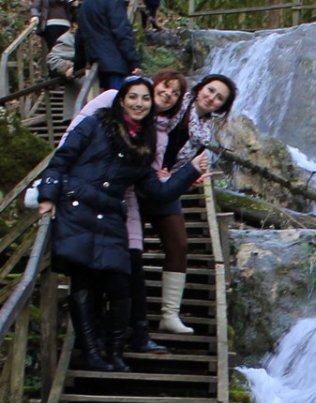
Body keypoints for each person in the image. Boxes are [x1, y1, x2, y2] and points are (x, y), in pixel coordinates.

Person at [37, 76, 207, 372]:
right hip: (78, 208)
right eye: (133, 97)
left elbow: (158, 192)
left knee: (119, 284)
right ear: (121, 99)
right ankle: (92, 353)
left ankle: (115, 353)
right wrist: (48, 196)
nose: (138, 103)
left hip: (111, 217)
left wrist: (190, 171)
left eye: (144, 99)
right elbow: (61, 159)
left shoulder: (143, 146)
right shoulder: (94, 124)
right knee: (84, 283)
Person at [65, 69, 188, 354]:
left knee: (131, 265)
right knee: (95, 268)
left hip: (127, 201)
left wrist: (176, 175)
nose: (167, 95)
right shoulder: (109, 102)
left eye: (175, 93)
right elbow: (74, 135)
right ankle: (96, 343)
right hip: (90, 197)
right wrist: (55, 184)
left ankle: (132, 337)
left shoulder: (160, 132)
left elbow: (150, 179)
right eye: (164, 88)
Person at [143, 73, 236, 335]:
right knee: (130, 247)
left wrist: (184, 177)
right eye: (210, 90)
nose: (212, 98)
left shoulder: (205, 129)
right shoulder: (176, 105)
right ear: (200, 89)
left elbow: (190, 163)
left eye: (219, 98)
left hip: (168, 186)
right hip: (141, 179)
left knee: (179, 244)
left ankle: (169, 314)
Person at [74, 0, 140, 92]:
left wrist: (78, 66)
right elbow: (122, 31)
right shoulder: (113, 2)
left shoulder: (85, 5)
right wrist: (133, 62)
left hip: (98, 64)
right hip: (116, 65)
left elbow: (80, 38)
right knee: (117, 100)